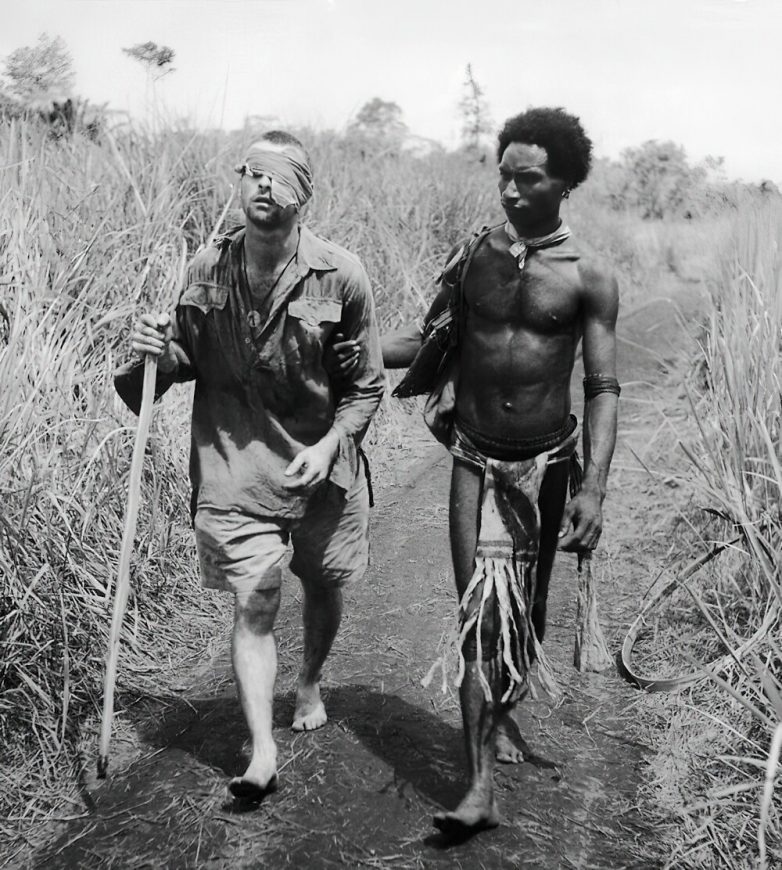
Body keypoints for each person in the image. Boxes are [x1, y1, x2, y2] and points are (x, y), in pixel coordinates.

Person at [337, 107, 619, 836]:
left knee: (528, 617)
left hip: (547, 466)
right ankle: (479, 787)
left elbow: (601, 387)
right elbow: (422, 339)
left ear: (565, 183)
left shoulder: (588, 276)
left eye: (529, 179)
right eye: (504, 177)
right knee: (477, 620)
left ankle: (505, 701)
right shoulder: (474, 259)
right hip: (474, 458)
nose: (511, 191)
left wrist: (594, 488)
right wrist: (347, 346)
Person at [115, 130, 384, 802]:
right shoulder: (206, 269)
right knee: (256, 597)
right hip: (235, 466)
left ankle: (310, 679)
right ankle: (263, 751)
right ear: (240, 182)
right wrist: (153, 352)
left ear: (304, 193)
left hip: (321, 468)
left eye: (280, 174)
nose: (264, 184)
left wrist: (331, 445)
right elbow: (171, 368)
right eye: (253, 171)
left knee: (322, 583)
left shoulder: (341, 275)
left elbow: (368, 387)